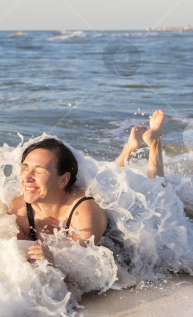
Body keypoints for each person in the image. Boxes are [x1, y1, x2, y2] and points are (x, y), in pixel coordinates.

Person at [9, 109, 166, 263]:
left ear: (63, 180)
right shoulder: (19, 209)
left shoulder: (84, 212)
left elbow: (82, 273)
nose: (27, 178)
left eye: (39, 171)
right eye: (25, 168)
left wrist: (54, 263)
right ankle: (129, 147)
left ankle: (154, 143)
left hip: (122, 231)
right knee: (110, 179)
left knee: (157, 196)